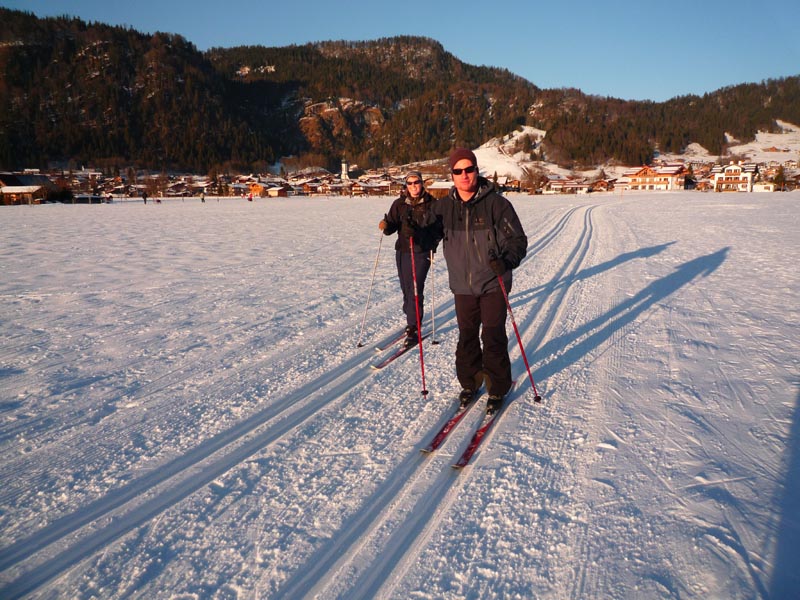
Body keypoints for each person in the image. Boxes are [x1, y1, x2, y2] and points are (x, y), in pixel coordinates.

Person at [433, 148, 527, 414]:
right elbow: (428, 233)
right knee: (467, 336)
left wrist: (506, 261)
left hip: (492, 283)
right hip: (462, 285)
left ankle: (498, 386)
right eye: (458, 171)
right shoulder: (444, 207)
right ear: (451, 175)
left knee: (493, 335)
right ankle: (470, 381)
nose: (464, 176)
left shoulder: (497, 205)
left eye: (469, 169)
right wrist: (411, 232)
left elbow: (518, 241)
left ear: (477, 170)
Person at [378, 171, 442, 347]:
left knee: (415, 288)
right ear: (406, 185)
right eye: (410, 183)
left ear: (422, 183)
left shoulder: (432, 205)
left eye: (417, 182)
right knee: (406, 287)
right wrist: (386, 226)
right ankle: (411, 315)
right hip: (403, 251)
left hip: (421, 252)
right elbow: (391, 224)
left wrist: (420, 236)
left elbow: (439, 231)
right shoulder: (399, 204)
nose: (413, 186)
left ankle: (414, 325)